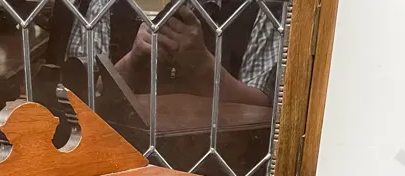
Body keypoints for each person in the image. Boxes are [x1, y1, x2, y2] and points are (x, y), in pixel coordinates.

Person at [64, 0, 282, 106]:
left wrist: (202, 66)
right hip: (122, 159)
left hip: (219, 168)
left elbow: (264, 109)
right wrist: (133, 61)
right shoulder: (106, 3)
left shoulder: (261, 8)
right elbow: (80, 97)